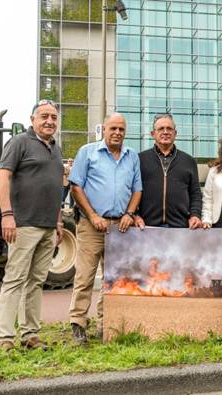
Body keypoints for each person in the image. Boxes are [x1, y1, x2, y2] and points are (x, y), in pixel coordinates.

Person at [0, 99, 64, 351]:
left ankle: (30, 334)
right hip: (23, 224)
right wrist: (7, 214)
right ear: (32, 119)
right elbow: (2, 177)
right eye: (44, 116)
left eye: (54, 117)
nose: (49, 121)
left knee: (36, 282)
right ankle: (4, 337)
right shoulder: (19, 142)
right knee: (15, 279)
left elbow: (56, 186)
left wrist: (57, 221)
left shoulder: (56, 148)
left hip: (47, 227)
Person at [68, 112, 142, 345]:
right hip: (92, 225)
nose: (117, 133)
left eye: (121, 129)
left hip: (120, 227)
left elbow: (137, 189)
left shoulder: (132, 157)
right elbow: (76, 186)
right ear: (104, 130)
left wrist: (129, 213)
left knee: (113, 278)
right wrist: (92, 215)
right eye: (113, 129)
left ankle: (105, 325)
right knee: (85, 276)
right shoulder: (87, 152)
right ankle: (78, 323)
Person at [134, 113, 202, 229]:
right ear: (153, 134)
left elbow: (195, 194)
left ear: (175, 133)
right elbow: (131, 192)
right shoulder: (139, 159)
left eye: (169, 128)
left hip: (180, 228)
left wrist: (195, 215)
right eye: (161, 129)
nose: (165, 132)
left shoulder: (189, 161)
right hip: (146, 228)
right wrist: (135, 215)